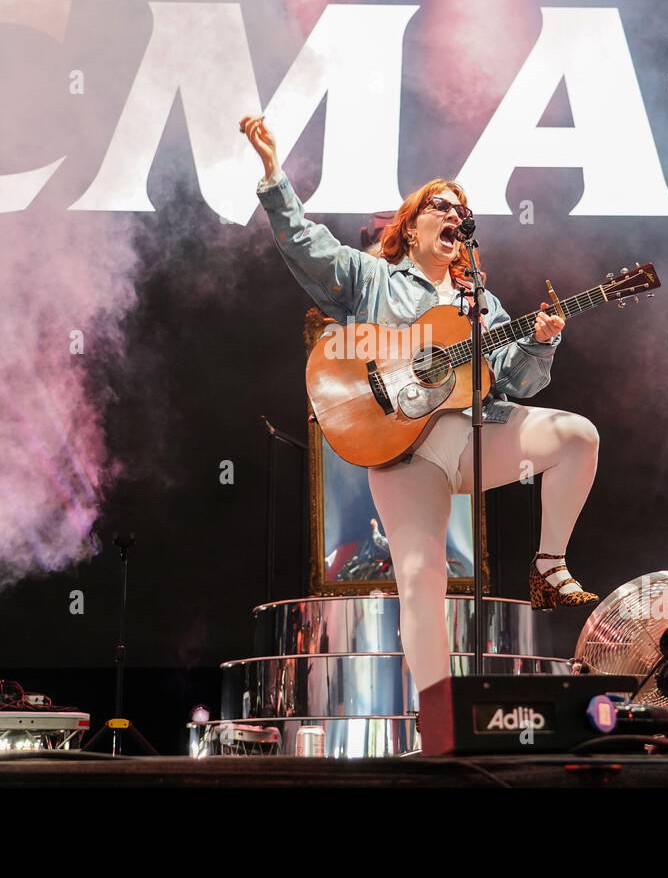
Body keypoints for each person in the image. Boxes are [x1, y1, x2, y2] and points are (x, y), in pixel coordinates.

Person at [241, 114, 603, 695]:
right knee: (418, 576)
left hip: (475, 434)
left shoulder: (482, 302)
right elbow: (303, 244)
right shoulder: (371, 279)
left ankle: (548, 567)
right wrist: (273, 174)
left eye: (460, 209)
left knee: (578, 436)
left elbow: (519, 382)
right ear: (410, 228)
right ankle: (436, 715)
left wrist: (542, 339)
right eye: (440, 205)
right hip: (403, 450)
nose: (453, 214)